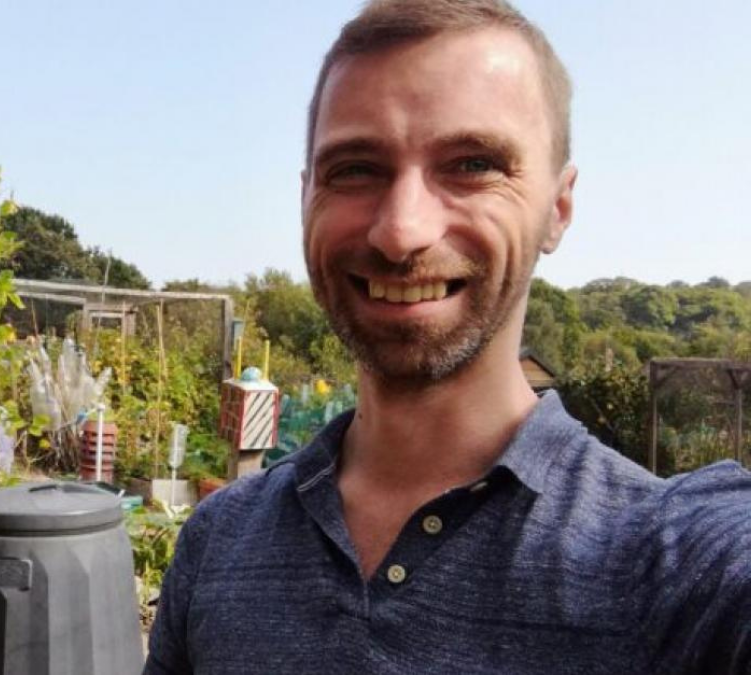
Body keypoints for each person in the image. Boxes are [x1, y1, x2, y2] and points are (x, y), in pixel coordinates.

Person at [144, 1, 751, 673]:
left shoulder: (668, 560)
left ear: (559, 207)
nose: (402, 231)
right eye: (355, 168)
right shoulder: (219, 541)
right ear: (305, 196)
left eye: (472, 164)